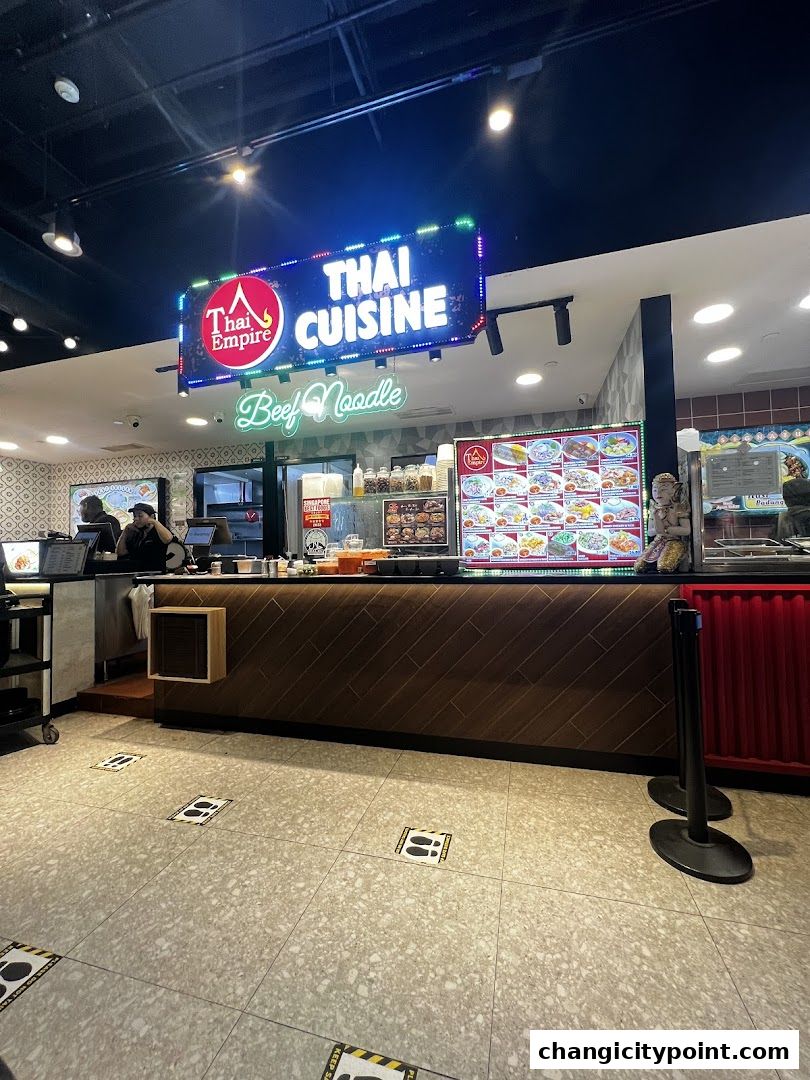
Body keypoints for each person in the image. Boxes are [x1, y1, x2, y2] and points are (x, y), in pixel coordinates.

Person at [116, 502, 172, 571]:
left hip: (155, 574)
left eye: (140, 516)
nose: (136, 519)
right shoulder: (134, 533)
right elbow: (121, 552)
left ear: (151, 516)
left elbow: (168, 539)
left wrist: (154, 521)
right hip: (135, 574)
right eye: (134, 516)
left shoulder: (158, 531)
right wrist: (125, 532)